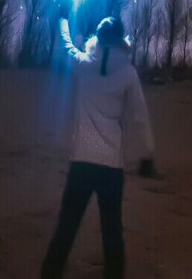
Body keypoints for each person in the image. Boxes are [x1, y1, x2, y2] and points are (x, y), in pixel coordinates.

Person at [40, 14, 156, 279]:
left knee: (66, 228)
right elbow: (139, 116)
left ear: (99, 38)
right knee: (112, 233)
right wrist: (146, 154)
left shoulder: (84, 63)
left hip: (82, 161)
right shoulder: (128, 72)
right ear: (121, 40)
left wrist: (63, 22)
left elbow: (66, 47)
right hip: (110, 167)